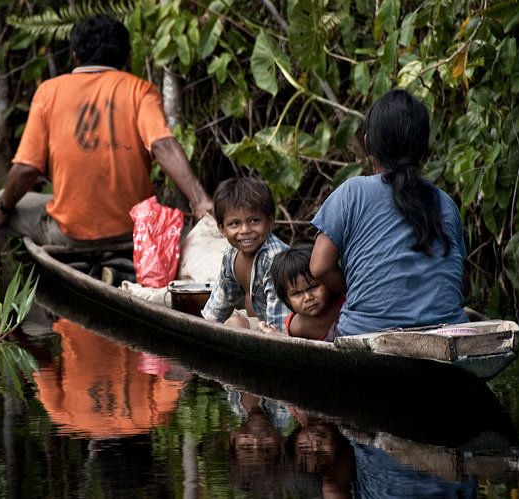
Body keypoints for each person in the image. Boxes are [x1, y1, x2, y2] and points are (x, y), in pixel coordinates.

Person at [0, 15, 212, 250]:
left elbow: (26, 169)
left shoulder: (48, 92)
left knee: (3, 198)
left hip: (69, 235)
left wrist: (2, 208)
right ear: (127, 57)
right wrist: (200, 200)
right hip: (134, 232)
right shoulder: (140, 90)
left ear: (75, 56)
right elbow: (162, 145)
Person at [310, 88, 468, 336]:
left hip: (365, 333)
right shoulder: (446, 202)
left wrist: (352, 289)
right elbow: (455, 272)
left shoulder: (352, 191)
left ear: (367, 144)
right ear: (424, 147)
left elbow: (319, 267)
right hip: (449, 334)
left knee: (304, 325)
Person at [201, 177, 290, 330]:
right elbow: (218, 307)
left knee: (234, 324)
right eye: (234, 224)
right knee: (230, 322)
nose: (245, 230)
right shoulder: (231, 255)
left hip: (283, 327)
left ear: (270, 222)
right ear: (222, 228)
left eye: (254, 220)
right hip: (260, 322)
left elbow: (280, 325)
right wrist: (203, 329)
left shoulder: (274, 258)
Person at [260, 245, 345, 341]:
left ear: (327, 282)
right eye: (296, 293)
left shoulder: (345, 306)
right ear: (287, 299)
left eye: (313, 287)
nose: (308, 297)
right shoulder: (297, 327)